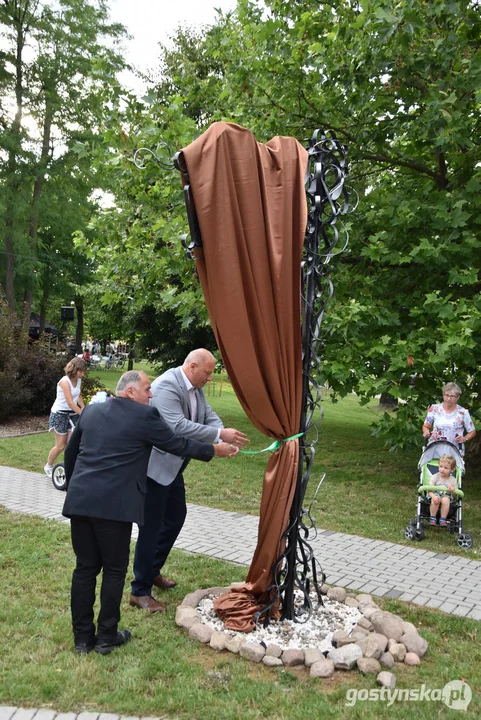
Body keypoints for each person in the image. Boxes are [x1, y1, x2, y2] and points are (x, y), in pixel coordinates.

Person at [62, 370, 238, 656]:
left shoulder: (91, 412)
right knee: (114, 571)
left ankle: (82, 640)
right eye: (146, 389)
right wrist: (212, 450)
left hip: (81, 503)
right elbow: (176, 444)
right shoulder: (144, 418)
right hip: (114, 509)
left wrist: (75, 489)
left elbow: (71, 454)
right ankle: (106, 637)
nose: (151, 394)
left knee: (84, 569)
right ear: (130, 392)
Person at [130, 349, 249, 612]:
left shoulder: (195, 386)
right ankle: (139, 591)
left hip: (173, 467)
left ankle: (151, 570)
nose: (209, 378)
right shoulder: (166, 386)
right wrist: (219, 434)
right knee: (150, 528)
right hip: (156, 469)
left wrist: (221, 436)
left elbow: (207, 415)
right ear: (192, 366)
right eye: (207, 373)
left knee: (175, 517)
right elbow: (177, 426)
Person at [44, 357, 86, 478]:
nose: (82, 374)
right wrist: (83, 414)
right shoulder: (64, 382)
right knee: (61, 445)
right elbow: (70, 403)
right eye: (81, 371)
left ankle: (70, 468)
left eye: (83, 371)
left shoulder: (78, 380)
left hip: (71, 414)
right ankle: (48, 466)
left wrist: (84, 407)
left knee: (72, 444)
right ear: (74, 369)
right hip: (59, 414)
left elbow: (78, 395)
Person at [422, 382, 476, 455]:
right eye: (446, 395)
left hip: (455, 450)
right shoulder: (434, 408)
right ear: (443, 394)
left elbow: (472, 432)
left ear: (458, 397)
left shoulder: (463, 412)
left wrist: (464, 439)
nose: (448, 398)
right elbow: (425, 426)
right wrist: (426, 431)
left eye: (452, 396)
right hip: (434, 448)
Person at [428, 454, 457, 527]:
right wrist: (433, 496)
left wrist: (453, 490)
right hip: (435, 494)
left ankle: (443, 519)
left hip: (446, 495)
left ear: (452, 469)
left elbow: (455, 495)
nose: (442, 469)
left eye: (446, 468)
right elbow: (429, 490)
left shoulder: (453, 480)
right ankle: (433, 518)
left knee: (446, 500)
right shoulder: (435, 477)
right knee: (435, 499)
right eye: (440, 466)